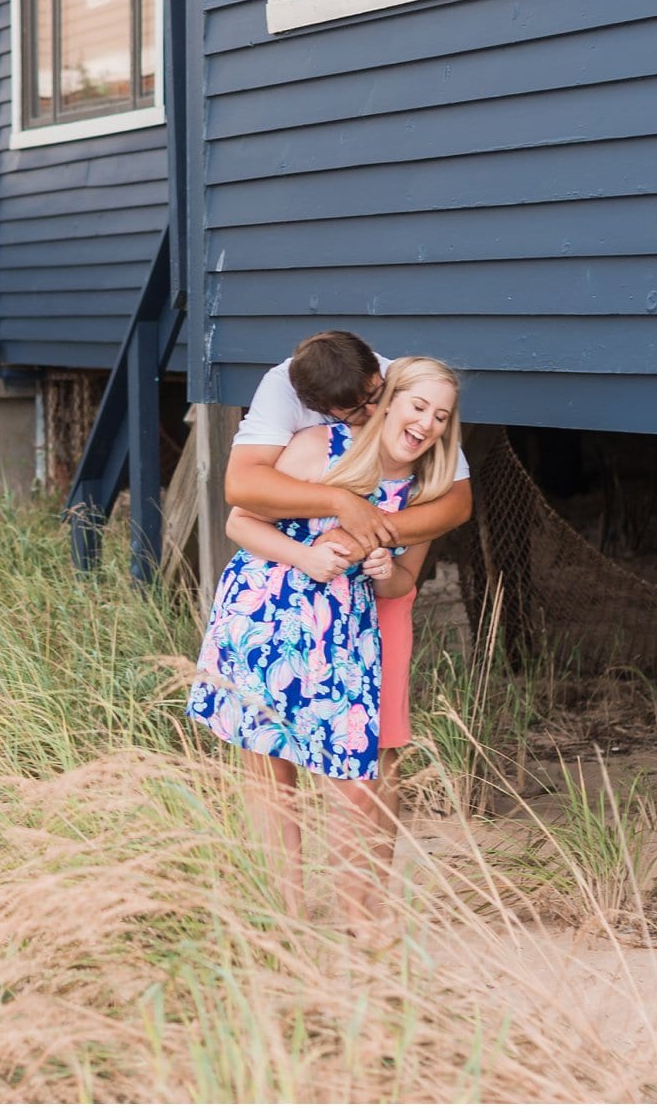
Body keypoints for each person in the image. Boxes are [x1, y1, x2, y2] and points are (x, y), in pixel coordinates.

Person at [188, 357, 464, 930]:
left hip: (345, 635)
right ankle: (282, 920)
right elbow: (240, 520)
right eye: (418, 408)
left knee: (354, 778)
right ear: (385, 401)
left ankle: (360, 926)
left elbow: (406, 582)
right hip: (267, 614)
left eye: (441, 416)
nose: (428, 424)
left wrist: (384, 569)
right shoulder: (318, 446)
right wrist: (310, 556)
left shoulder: (424, 488)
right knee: (267, 770)